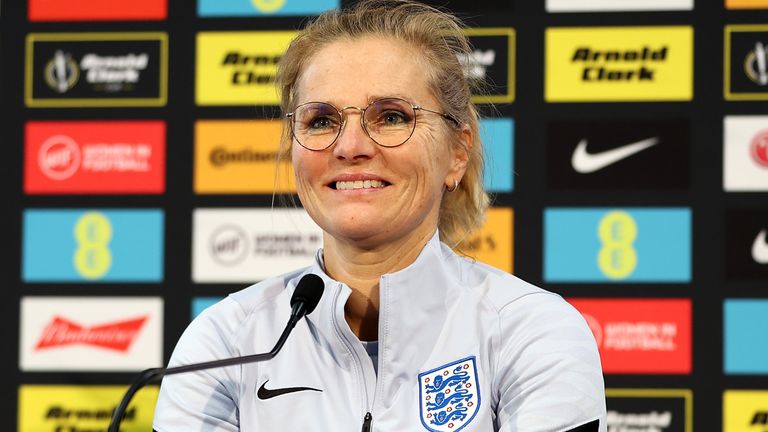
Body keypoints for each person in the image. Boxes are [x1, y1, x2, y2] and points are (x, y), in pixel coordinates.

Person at [153, 0, 606, 430]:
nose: (350, 146)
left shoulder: (532, 331)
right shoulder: (224, 343)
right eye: (321, 120)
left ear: (457, 153)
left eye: (391, 116)